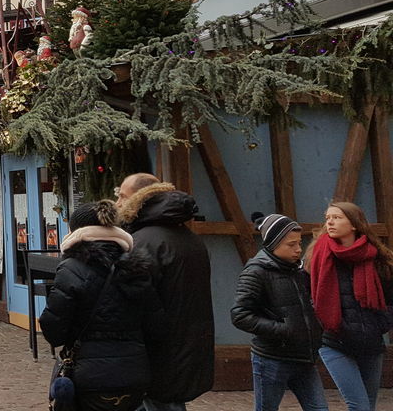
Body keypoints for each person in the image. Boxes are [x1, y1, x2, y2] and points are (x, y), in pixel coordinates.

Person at [40, 201, 162, 411]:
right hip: (134, 372)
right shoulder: (139, 266)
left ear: (76, 232)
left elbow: (54, 330)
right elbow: (156, 325)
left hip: (88, 373)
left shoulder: (71, 269)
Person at [116, 173, 214, 410]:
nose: (117, 203)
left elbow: (135, 304)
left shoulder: (144, 241)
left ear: (139, 199)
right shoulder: (187, 238)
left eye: (122, 196)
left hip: (157, 354)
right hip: (181, 349)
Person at [231, 212, 326, 411]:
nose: (298, 249)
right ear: (273, 244)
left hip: (304, 358)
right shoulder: (256, 272)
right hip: (272, 358)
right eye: (291, 245)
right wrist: (283, 329)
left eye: (299, 243)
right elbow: (240, 315)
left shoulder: (298, 271)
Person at [307, 201, 393, 411]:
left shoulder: (377, 258)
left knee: (368, 406)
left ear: (354, 224)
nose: (330, 222)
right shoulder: (318, 255)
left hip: (371, 343)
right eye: (327, 218)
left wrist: (381, 324)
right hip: (335, 342)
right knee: (360, 406)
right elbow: (309, 295)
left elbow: (390, 299)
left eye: (337, 217)